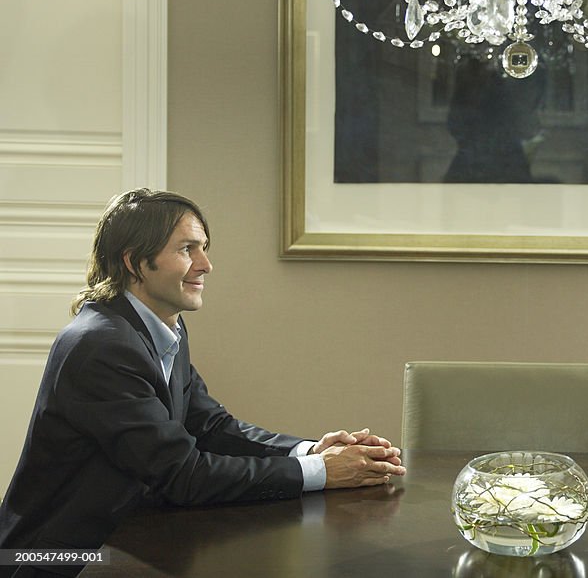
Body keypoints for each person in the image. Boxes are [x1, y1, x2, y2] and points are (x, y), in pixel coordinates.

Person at [0, 189, 405, 575]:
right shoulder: (102, 346)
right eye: (186, 249)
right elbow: (182, 476)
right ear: (134, 261)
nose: (205, 265)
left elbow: (210, 427)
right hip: (59, 556)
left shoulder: (160, 327)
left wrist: (308, 450)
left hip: (121, 537)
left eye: (203, 248)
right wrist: (321, 472)